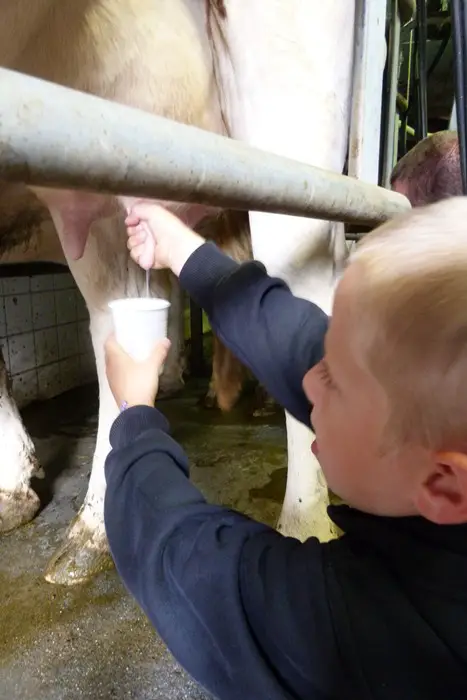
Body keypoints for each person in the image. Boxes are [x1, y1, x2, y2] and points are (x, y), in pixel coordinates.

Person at [103, 199, 467, 700]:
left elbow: (188, 568)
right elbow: (303, 343)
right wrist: (184, 249)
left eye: (334, 381)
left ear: (443, 484)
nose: (310, 383)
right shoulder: (437, 439)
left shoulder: (378, 637)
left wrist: (134, 416)